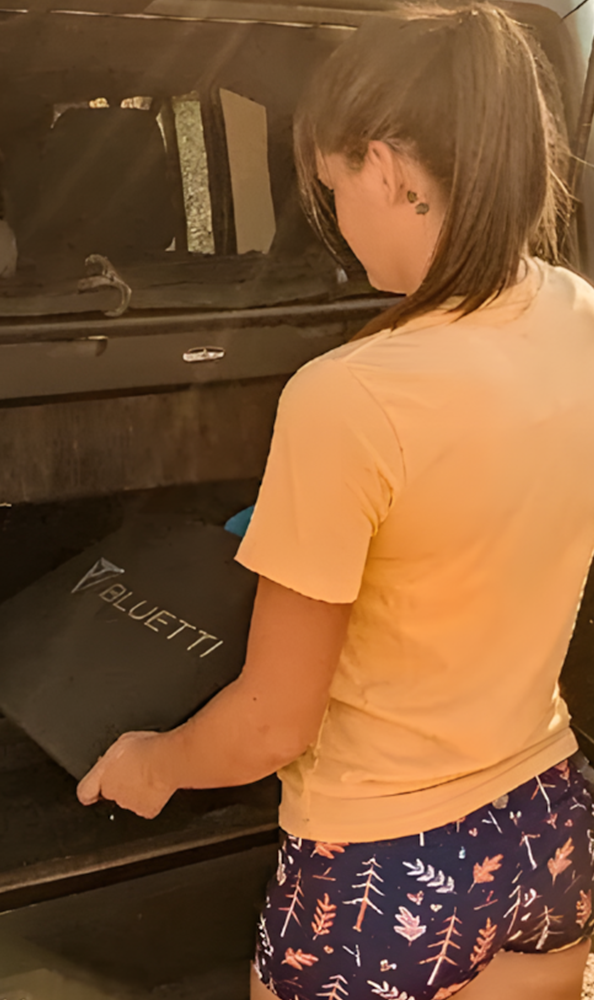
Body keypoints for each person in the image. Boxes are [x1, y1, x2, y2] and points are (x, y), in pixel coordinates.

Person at [76, 5, 594, 999]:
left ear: (391, 168)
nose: (335, 220)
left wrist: (155, 761)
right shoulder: (577, 318)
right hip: (545, 824)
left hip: (383, 872)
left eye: (333, 186)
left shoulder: (348, 398)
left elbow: (272, 723)